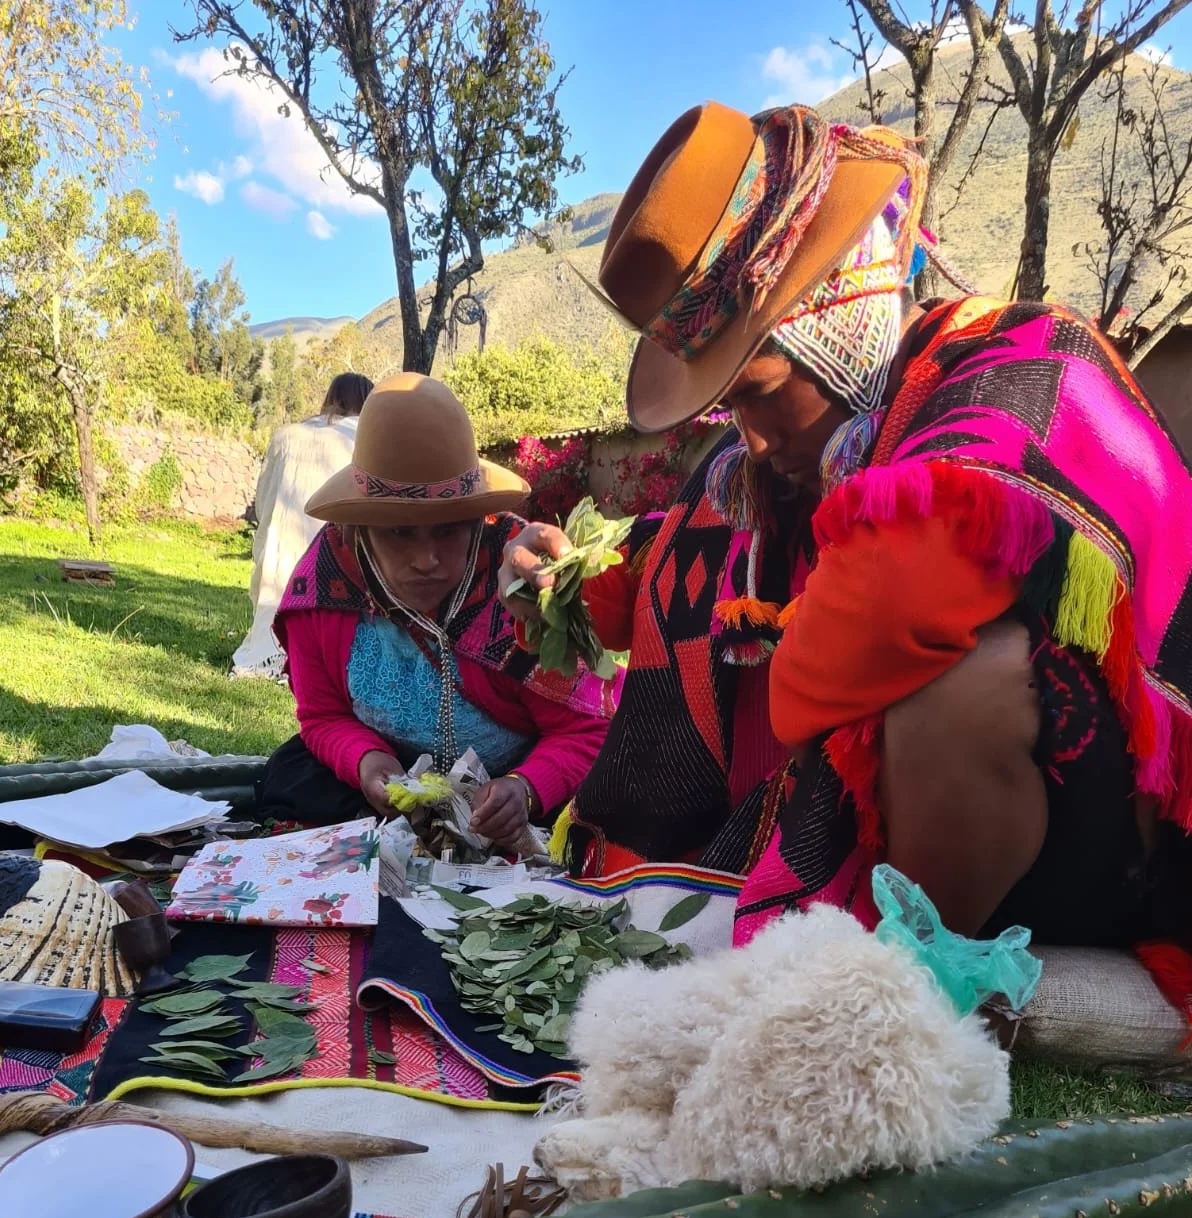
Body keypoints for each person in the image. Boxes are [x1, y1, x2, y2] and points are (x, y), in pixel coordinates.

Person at [501, 101, 1192, 949]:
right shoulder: (779, 461)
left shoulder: (1028, 364)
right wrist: (568, 574)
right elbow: (664, 573)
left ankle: (908, 977)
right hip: (924, 823)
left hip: (1116, 840)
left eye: (755, 392)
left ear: (836, 319)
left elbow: (909, 582)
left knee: (964, 679)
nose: (749, 436)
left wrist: (793, 662)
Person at [256, 373, 618, 848]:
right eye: (400, 532)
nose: (426, 561)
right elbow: (322, 717)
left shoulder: (523, 583)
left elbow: (587, 727)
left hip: (510, 778)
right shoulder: (324, 587)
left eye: (448, 530)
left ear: (477, 521)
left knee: (608, 808)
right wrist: (368, 762)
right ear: (357, 529)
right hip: (392, 768)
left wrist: (526, 790)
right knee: (287, 778)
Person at [232, 372, 374, 679]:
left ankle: (272, 653)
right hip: (335, 537)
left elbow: (264, 495)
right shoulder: (365, 434)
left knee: (281, 585)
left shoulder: (287, 434)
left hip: (284, 534)